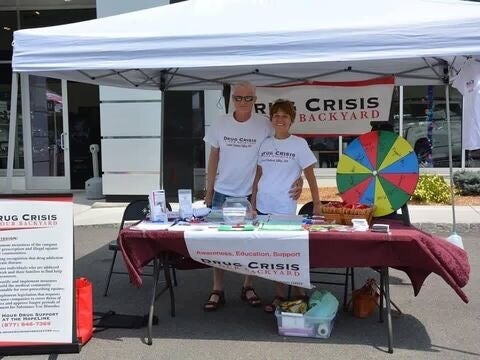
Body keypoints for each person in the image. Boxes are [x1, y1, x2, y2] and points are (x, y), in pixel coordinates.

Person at [203, 82, 303, 311]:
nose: (243, 102)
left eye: (248, 98)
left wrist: (300, 179)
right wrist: (208, 190)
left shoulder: (264, 125)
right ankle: (217, 288)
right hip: (222, 191)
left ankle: (248, 285)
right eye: (238, 97)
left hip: (251, 193)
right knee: (218, 241)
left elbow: (285, 151)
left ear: (255, 99)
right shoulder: (220, 123)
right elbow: (213, 158)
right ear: (232, 99)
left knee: (249, 242)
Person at [250, 98, 322, 313]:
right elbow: (258, 176)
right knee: (272, 255)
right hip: (263, 206)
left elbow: (310, 176)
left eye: (284, 116)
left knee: (290, 253)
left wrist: (317, 204)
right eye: (276, 116)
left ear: (291, 120)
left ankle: (300, 295)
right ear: (271, 119)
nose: (280, 120)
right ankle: (279, 296)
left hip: (285, 208)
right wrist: (252, 204)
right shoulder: (265, 143)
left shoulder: (299, 144)